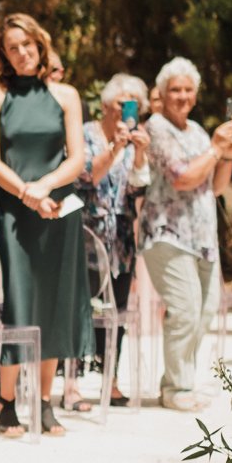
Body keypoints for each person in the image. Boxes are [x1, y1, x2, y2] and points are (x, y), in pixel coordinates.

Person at [0, 13, 88, 436]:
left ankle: (43, 402)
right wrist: (27, 193)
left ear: (41, 45)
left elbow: (76, 158)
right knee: (20, 303)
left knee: (54, 303)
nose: (22, 53)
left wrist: (44, 188)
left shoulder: (66, 95)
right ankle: (6, 402)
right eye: (13, 47)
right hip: (14, 211)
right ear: (3, 53)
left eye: (29, 45)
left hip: (57, 208)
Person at [141, 57, 232, 411]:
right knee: (184, 309)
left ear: (195, 95)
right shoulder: (155, 128)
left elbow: (215, 187)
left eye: (187, 89)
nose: (182, 96)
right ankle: (176, 387)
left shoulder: (196, 130)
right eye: (174, 90)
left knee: (206, 309)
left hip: (202, 236)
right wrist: (215, 149)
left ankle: (179, 380)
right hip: (167, 234)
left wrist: (226, 154)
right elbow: (182, 176)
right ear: (162, 95)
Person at [79, 73, 151, 405]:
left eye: (134, 104)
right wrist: (116, 148)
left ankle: (111, 379)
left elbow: (137, 189)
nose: (127, 110)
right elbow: (86, 176)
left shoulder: (135, 140)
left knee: (117, 310)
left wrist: (138, 154)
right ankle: (74, 381)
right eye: (122, 103)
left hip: (121, 235)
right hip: (86, 232)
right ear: (107, 104)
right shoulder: (86, 134)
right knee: (82, 306)